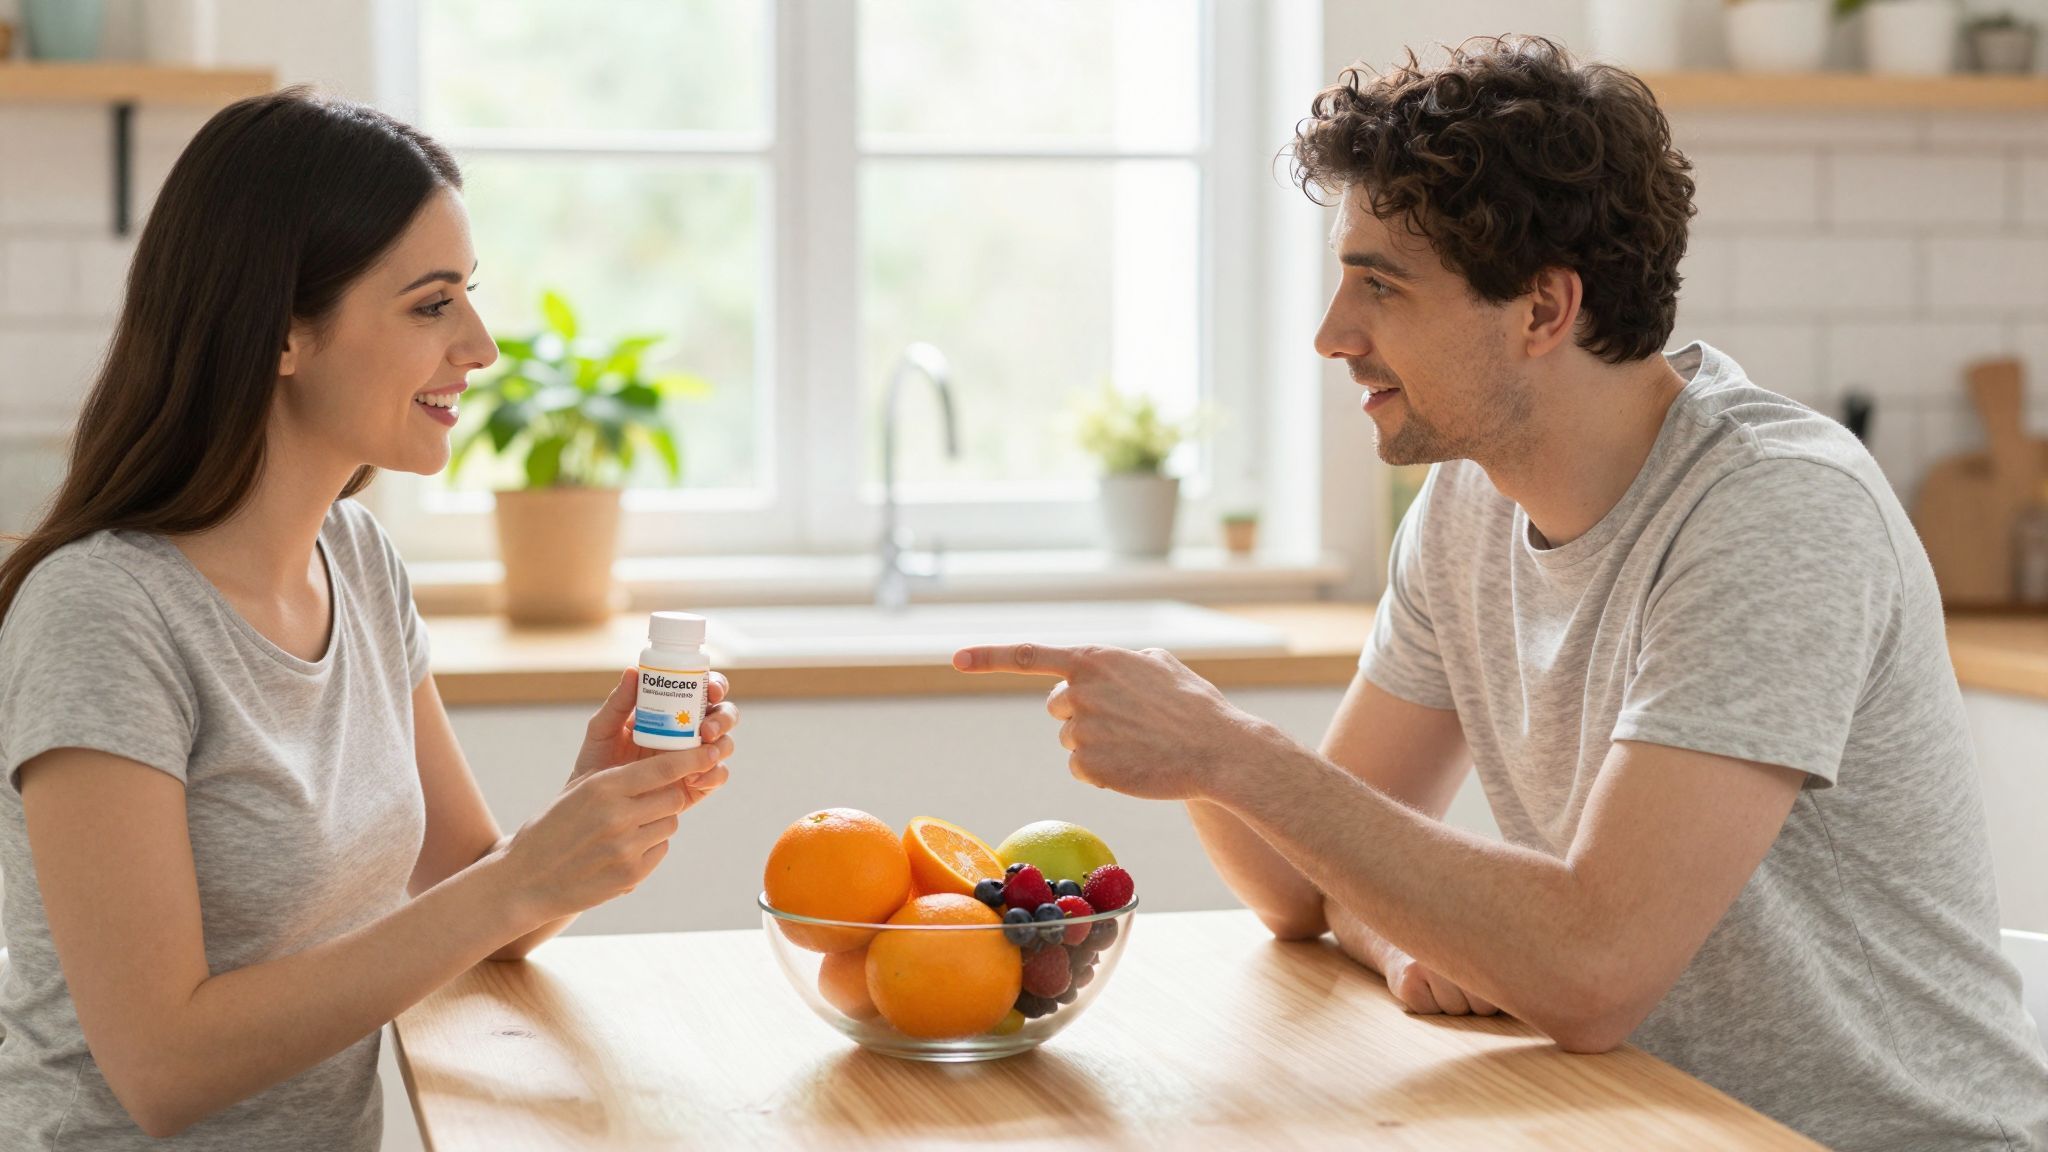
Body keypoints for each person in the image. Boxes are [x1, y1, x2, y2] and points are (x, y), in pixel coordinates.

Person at [956, 36, 2048, 1150]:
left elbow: (1588, 969)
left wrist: (1232, 754)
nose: (1331, 335)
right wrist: (1204, 754)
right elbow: (1300, 884)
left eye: (1378, 286)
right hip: (1643, 1122)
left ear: (1540, 312)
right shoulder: (1465, 507)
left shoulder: (1775, 512)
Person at [0, 88, 737, 1148]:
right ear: (283, 332)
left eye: (466, 297)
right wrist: (519, 879)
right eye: (431, 304)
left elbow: (483, 917)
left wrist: (592, 800)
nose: (479, 347)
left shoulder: (356, 563)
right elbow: (161, 1067)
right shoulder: (102, 615)